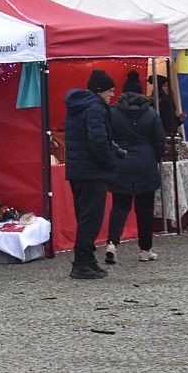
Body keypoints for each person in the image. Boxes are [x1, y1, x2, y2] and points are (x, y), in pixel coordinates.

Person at [103, 71, 166, 265]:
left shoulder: (112, 112)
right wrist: (154, 157)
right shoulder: (151, 114)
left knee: (119, 206)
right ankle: (145, 249)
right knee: (144, 209)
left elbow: (106, 138)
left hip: (121, 162)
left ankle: (112, 244)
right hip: (145, 163)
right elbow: (160, 142)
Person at [62, 69, 117, 280]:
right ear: (100, 90)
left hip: (77, 170)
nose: (112, 96)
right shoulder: (95, 108)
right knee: (91, 219)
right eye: (110, 91)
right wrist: (110, 162)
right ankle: (81, 262)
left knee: (84, 217)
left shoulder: (77, 106)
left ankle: (87, 259)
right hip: (92, 170)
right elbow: (98, 142)